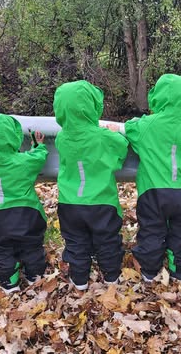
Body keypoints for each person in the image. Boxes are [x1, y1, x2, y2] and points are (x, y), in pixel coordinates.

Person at [124, 73, 181, 283]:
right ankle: (179, 271)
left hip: (152, 192)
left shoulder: (147, 125)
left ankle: (149, 272)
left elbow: (129, 128)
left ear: (159, 97)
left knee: (152, 230)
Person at [53, 80, 128, 291]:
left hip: (69, 203)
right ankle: (112, 277)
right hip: (101, 201)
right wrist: (112, 131)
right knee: (107, 241)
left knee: (76, 243)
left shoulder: (61, 138)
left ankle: (79, 281)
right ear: (92, 105)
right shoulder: (103, 137)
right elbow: (121, 149)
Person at [0, 114, 49, 294]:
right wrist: (38, 145)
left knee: (2, 251)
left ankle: (9, 283)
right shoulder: (23, 162)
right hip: (25, 214)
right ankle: (34, 277)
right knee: (32, 247)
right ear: (11, 136)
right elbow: (38, 157)